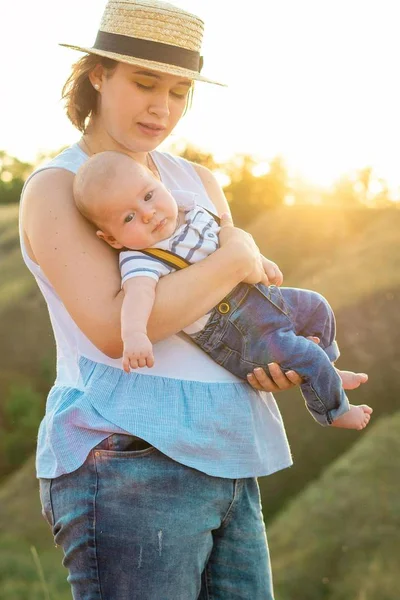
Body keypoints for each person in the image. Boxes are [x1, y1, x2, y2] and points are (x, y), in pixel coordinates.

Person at [18, 1, 372, 598]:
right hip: (129, 456)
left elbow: (234, 302)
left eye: (180, 91)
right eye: (145, 82)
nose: (162, 106)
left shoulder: (198, 180)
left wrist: (266, 360)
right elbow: (113, 329)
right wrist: (236, 255)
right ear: (97, 74)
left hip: (229, 450)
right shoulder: (58, 188)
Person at [74, 151, 372, 430]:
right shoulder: (141, 257)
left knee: (317, 305)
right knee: (305, 354)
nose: (148, 213)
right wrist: (135, 334)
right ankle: (334, 412)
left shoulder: (190, 209)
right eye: (128, 217)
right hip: (236, 334)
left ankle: (329, 369)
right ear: (112, 239)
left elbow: (233, 240)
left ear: (158, 182)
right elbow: (139, 295)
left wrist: (262, 260)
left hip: (260, 296)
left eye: (149, 196)